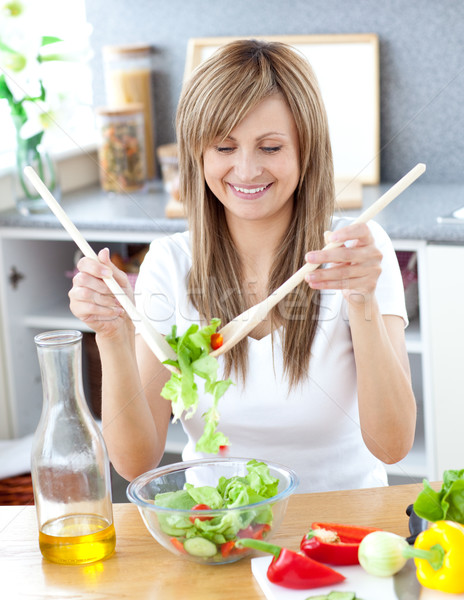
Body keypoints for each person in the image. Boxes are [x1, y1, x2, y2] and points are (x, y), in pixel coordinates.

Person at [69, 39, 416, 493]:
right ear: (199, 154)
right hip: (220, 532)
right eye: (225, 147)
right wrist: (113, 336)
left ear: (305, 149)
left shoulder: (354, 252)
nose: (247, 170)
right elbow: (136, 463)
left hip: (340, 530)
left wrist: (361, 298)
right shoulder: (170, 263)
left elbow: (392, 445)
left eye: (270, 147)